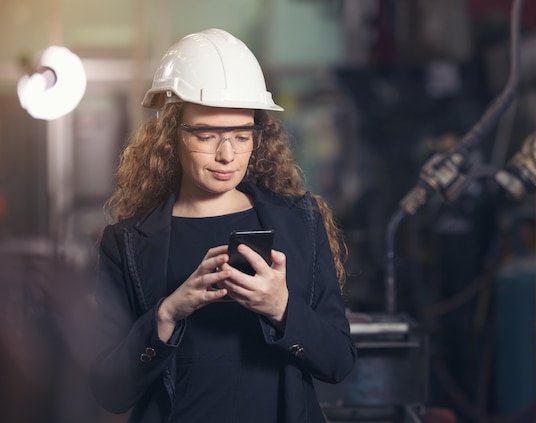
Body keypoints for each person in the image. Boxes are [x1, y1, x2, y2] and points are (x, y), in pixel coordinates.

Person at [89, 28, 356, 423]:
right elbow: (110, 391)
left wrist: (281, 308)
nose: (226, 154)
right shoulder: (126, 244)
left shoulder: (301, 223)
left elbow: (338, 362)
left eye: (240, 135)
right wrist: (166, 315)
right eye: (208, 135)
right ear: (172, 136)